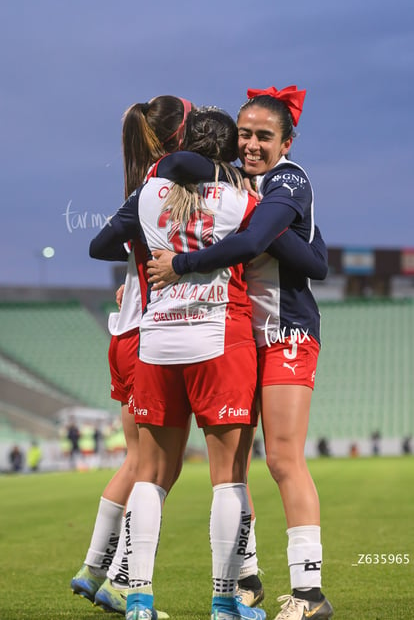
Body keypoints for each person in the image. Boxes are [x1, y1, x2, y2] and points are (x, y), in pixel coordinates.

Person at [146, 86, 334, 620]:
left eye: (264, 136)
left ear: (287, 142)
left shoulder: (288, 179)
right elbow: (314, 256)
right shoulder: (233, 182)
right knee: (229, 468)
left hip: (285, 333)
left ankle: (310, 594)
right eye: (245, 134)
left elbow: (255, 244)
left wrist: (180, 266)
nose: (251, 144)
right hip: (234, 333)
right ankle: (245, 580)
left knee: (281, 457)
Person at [71, 96, 194, 617]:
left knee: (139, 460)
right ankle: (120, 579)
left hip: (125, 337)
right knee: (158, 468)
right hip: (151, 337)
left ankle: (94, 568)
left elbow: (101, 245)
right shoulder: (175, 188)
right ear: (180, 137)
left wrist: (134, 271)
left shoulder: (140, 188)